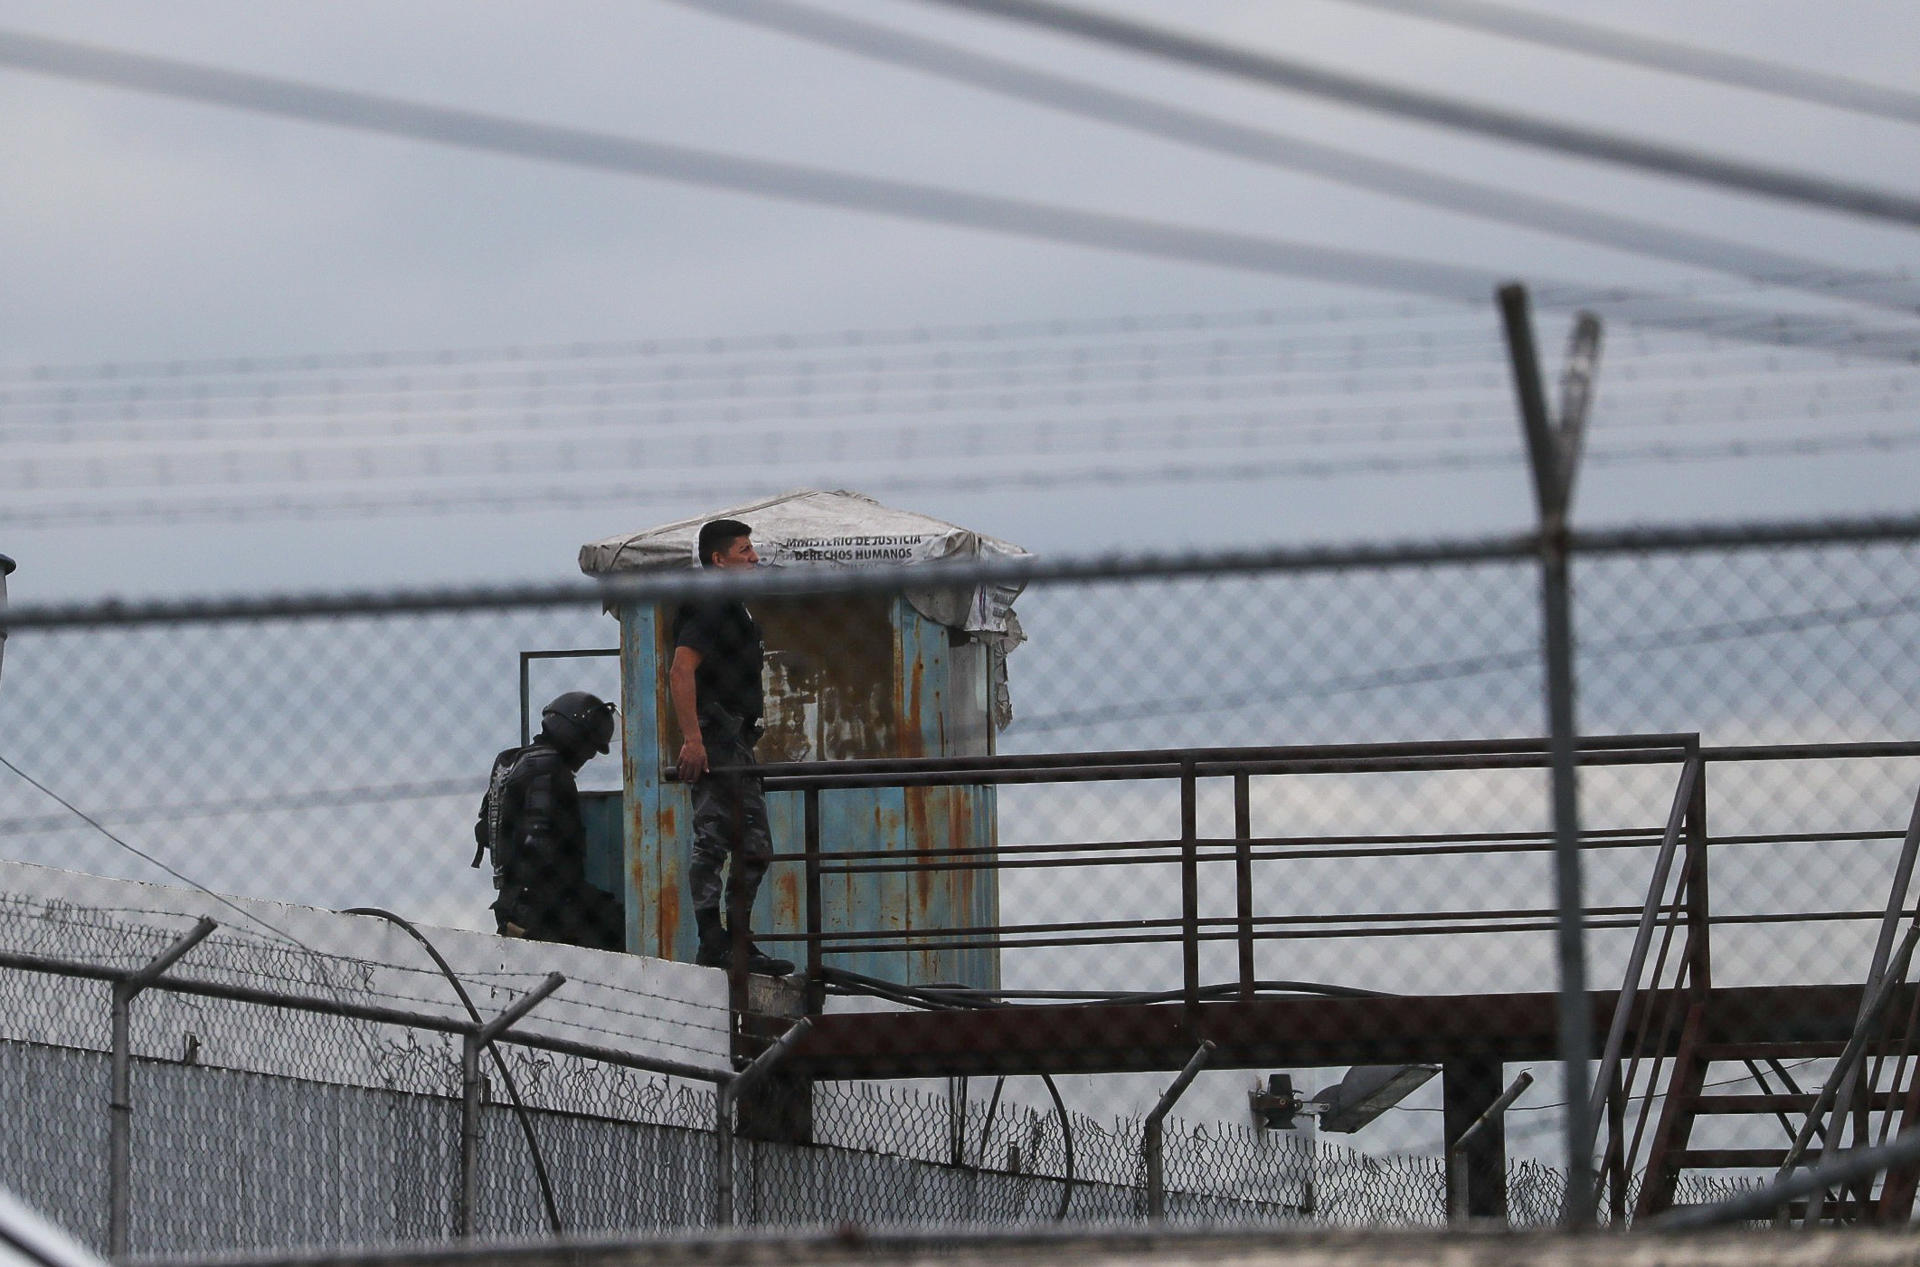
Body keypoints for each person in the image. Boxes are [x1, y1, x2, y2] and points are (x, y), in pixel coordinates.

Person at [670, 519, 794, 975]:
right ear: (718, 560)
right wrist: (694, 740)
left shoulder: (731, 606)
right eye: (745, 551)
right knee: (721, 838)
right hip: (716, 735)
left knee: (748, 841)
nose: (755, 558)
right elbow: (681, 671)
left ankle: (735, 940)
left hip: (735, 735)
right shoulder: (711, 602)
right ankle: (716, 940)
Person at [473, 690, 624, 950]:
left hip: (514, 899)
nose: (589, 755)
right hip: (543, 906)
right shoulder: (549, 768)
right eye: (589, 745)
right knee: (622, 925)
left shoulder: (511, 761)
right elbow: (537, 842)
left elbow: (483, 831)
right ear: (574, 734)